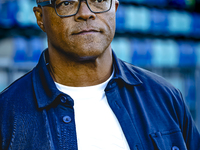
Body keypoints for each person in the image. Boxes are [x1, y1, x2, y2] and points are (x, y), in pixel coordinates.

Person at [0, 0, 200, 149]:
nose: (86, 13)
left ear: (114, 7)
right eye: (67, 2)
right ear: (40, 17)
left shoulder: (165, 96)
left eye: (98, 0)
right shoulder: (6, 114)